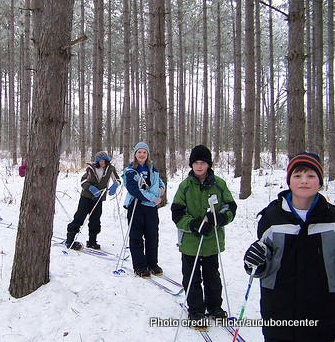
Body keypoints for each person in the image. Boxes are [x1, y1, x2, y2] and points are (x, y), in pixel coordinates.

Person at [243, 152, 335, 342]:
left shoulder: (332, 219)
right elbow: (263, 266)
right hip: (279, 317)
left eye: (311, 176)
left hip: (324, 318)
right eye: (297, 175)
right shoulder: (272, 218)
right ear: (289, 180)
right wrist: (254, 262)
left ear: (320, 181)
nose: (304, 181)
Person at [171, 144, 237, 321]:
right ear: (191, 165)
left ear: (209, 165)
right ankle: (196, 309)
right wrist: (193, 224)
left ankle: (215, 306)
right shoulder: (184, 186)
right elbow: (177, 213)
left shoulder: (219, 185)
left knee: (212, 277)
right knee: (192, 277)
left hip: (211, 242)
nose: (199, 166)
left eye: (203, 162)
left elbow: (230, 207)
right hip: (190, 242)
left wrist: (221, 218)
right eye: (196, 163)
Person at [122, 142, 165, 278]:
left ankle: (152, 263)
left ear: (147, 155)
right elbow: (135, 191)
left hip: (151, 208)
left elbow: (159, 181)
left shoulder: (152, 168)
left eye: (144, 152)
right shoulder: (130, 171)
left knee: (152, 236)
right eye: (139, 152)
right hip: (136, 206)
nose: (142, 155)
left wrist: (162, 188)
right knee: (136, 237)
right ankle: (140, 266)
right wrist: (154, 198)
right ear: (135, 154)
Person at [66, 151, 121, 250]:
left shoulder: (110, 169)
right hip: (86, 197)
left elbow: (117, 180)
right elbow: (83, 181)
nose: (102, 163)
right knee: (79, 217)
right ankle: (70, 239)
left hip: (99, 198)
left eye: (104, 161)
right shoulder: (91, 168)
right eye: (100, 161)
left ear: (107, 160)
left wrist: (115, 185)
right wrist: (90, 187)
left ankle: (92, 241)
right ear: (97, 161)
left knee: (95, 220)